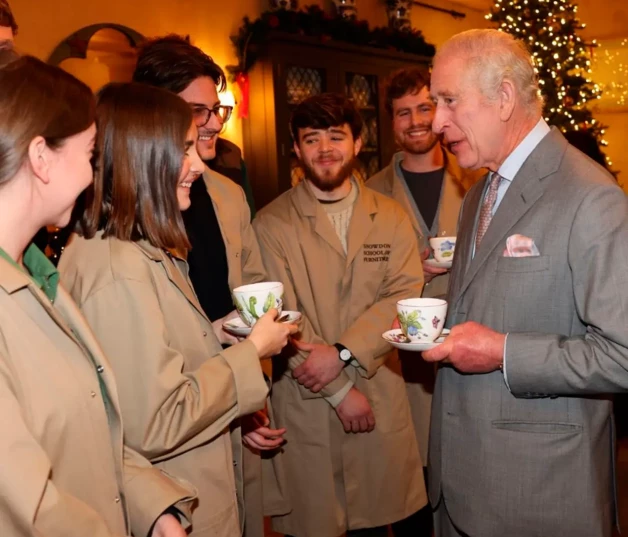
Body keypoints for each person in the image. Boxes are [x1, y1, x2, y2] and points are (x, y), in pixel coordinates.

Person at [58, 82, 297, 537]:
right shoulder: (118, 268)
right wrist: (252, 352)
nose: (199, 164)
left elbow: (141, 372)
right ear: (142, 157)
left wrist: (212, 331)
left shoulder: (143, 247)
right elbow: (155, 421)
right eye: (184, 148)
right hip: (174, 507)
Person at [422, 29, 628, 537]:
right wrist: (428, 308)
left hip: (538, 496)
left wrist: (502, 352)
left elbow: (622, 355)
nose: (436, 122)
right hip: (459, 486)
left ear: (504, 98)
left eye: (449, 101)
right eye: (433, 103)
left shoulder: (590, 197)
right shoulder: (478, 192)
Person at [0, 50, 195, 537]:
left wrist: (150, 506)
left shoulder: (40, 275)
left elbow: (93, 427)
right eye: (88, 155)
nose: (93, 175)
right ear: (41, 158)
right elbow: (29, 505)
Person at [253, 92, 430, 537]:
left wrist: (345, 353)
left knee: (375, 522)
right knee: (315, 522)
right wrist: (338, 391)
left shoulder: (390, 217)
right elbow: (277, 316)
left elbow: (404, 294)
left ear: (357, 142)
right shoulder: (270, 224)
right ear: (295, 148)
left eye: (336, 136)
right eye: (312, 139)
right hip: (308, 403)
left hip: (377, 393)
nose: (325, 149)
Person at [132, 34, 283, 537]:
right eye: (198, 111)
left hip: (232, 411)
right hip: (171, 447)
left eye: (216, 108)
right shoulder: (123, 214)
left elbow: (253, 299)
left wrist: (253, 397)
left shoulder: (229, 194)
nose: (215, 122)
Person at [367, 69, 482, 504]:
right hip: (402, 363)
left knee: (467, 473)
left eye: (423, 108)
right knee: (408, 479)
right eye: (402, 113)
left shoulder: (474, 178)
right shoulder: (370, 193)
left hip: (470, 346)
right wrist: (406, 268)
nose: (415, 120)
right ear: (390, 123)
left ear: (439, 113)